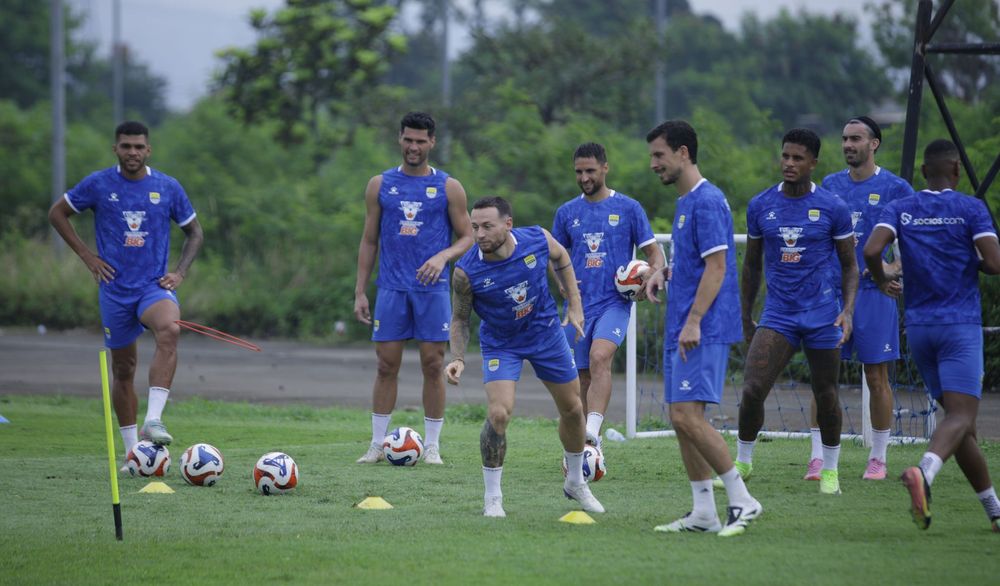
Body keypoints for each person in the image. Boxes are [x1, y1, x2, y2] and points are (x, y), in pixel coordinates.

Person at [48, 120, 204, 469]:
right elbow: (57, 213)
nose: (132, 152)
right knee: (123, 368)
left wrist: (179, 272)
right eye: (125, 146)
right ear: (115, 149)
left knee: (171, 329)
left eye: (138, 146)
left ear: (148, 150)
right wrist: (88, 257)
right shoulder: (99, 184)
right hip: (115, 292)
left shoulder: (167, 186)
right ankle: (133, 452)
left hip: (153, 287)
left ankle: (155, 419)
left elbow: (195, 231)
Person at [864, 139, 1000, 531]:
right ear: (956, 171)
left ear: (924, 172)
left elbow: (872, 249)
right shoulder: (969, 208)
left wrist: (882, 276)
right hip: (959, 325)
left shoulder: (902, 207)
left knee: (961, 426)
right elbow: (994, 262)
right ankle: (923, 472)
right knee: (960, 416)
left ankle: (994, 511)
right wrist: (966, 258)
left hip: (920, 329)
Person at [445, 196, 605, 518]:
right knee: (499, 414)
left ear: (508, 224)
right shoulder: (466, 272)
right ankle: (493, 498)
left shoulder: (537, 239)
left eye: (487, 226)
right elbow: (461, 319)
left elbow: (562, 258)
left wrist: (574, 303)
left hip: (545, 332)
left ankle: (575, 482)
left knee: (574, 409)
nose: (479, 235)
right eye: (475, 227)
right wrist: (458, 357)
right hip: (501, 343)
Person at [642, 120, 761, 537]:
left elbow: (718, 266)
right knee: (679, 418)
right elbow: (697, 264)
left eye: (659, 155)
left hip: (702, 328)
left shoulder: (708, 201)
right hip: (683, 326)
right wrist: (666, 272)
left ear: (683, 153)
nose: (653, 163)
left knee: (689, 417)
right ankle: (704, 513)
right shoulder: (684, 203)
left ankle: (743, 500)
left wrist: (693, 320)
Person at [735, 128, 858, 495]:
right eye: (785, 156)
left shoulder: (833, 207)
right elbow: (752, 265)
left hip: (823, 315)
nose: (789, 163)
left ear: (813, 163)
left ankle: (831, 470)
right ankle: (743, 463)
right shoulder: (760, 206)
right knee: (753, 388)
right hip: (779, 316)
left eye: (798, 158)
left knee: (826, 392)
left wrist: (847, 311)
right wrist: (744, 314)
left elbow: (850, 266)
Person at [354, 111, 474, 465]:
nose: (414, 146)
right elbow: (369, 239)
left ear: (432, 143)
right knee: (385, 365)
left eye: (421, 141)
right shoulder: (380, 184)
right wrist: (361, 290)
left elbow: (468, 236)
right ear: (400, 139)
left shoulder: (449, 187)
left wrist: (443, 257)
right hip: (391, 287)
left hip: (432, 289)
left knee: (433, 363)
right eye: (408, 139)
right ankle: (377, 444)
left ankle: (433, 445)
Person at [803, 116, 914, 481]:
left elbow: (911, 247)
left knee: (876, 376)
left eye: (856, 138)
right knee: (824, 377)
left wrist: (888, 272)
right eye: (845, 138)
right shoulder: (830, 186)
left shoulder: (896, 188)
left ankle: (878, 458)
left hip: (872, 295)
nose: (848, 144)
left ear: (874, 144)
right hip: (830, 295)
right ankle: (818, 457)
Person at [551, 142, 665, 449]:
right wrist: (562, 283)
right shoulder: (566, 213)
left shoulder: (628, 208)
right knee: (582, 377)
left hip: (615, 302)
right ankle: (587, 446)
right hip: (577, 306)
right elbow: (555, 256)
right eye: (579, 172)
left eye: (590, 170)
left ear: (605, 168)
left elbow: (655, 254)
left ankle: (592, 432)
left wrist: (651, 278)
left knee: (601, 357)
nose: (585, 177)